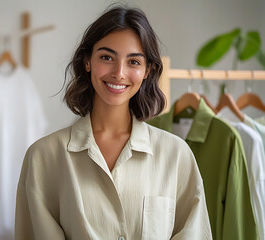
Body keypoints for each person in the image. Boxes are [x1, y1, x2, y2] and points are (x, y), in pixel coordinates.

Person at [15, 4, 212, 240]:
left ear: (148, 70)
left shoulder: (177, 155)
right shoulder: (43, 157)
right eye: (107, 57)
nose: (119, 72)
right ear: (87, 61)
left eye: (134, 62)